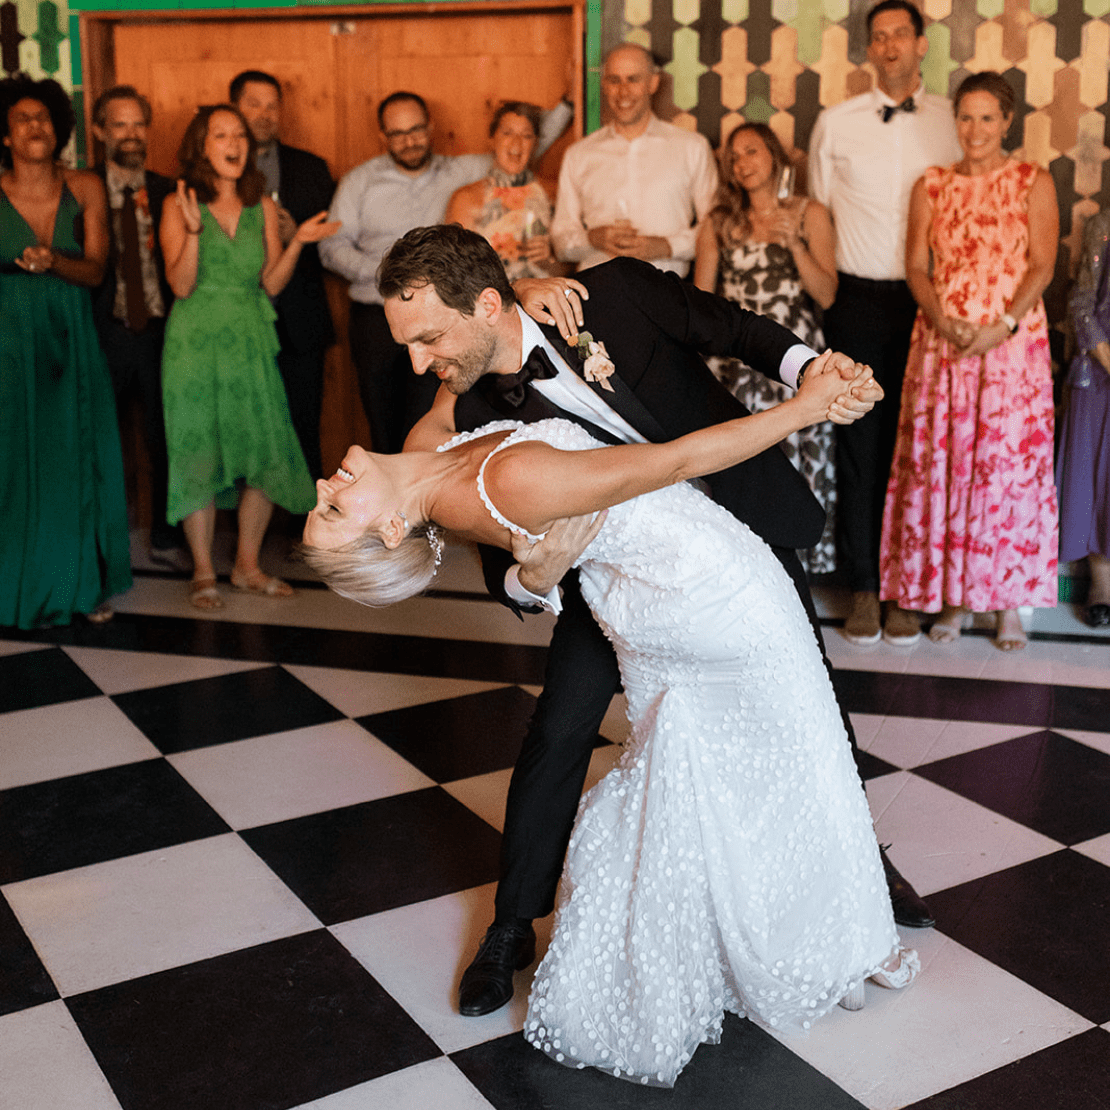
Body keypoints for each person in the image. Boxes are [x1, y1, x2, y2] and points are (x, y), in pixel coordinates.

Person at [299, 231, 919, 1086]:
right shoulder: (456, 412)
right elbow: (496, 560)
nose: (416, 361)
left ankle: (866, 877)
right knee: (559, 732)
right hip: (615, 587)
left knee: (808, 710)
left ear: (487, 304)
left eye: (429, 337)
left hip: (733, 528)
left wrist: (813, 373)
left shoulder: (611, 295)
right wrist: (537, 577)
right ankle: (512, 926)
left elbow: (734, 330)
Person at [879, 72, 1059, 650]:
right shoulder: (930, 184)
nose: (975, 129)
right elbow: (916, 267)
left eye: (987, 118)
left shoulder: (1033, 180)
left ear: (1007, 122)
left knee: (1005, 469)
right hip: (942, 344)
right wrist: (941, 319)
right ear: (953, 120)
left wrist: (1000, 326)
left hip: (1012, 347)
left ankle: (1007, 605)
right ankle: (953, 599)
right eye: (966, 117)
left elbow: (1043, 265)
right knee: (948, 465)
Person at [809, 0, 962, 646]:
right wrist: (825, 298)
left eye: (901, 33)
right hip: (859, 300)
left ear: (921, 43)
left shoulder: (955, 123)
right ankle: (866, 587)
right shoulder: (835, 123)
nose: (890, 44)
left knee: (919, 449)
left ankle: (909, 591)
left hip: (932, 305)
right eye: (879, 37)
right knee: (860, 444)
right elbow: (816, 207)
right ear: (868, 50)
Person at [320, 90, 572, 455]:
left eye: (417, 129)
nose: (409, 140)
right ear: (383, 136)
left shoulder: (461, 170)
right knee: (382, 415)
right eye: (398, 133)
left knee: (432, 411)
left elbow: (521, 142)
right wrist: (397, 283)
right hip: (377, 316)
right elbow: (332, 247)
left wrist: (568, 100)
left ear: (431, 127)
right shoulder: (360, 181)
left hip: (444, 319)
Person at [159, 103, 337, 610]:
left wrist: (298, 240)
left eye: (239, 135)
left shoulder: (260, 205)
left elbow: (271, 282)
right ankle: (201, 570)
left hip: (251, 337)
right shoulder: (180, 204)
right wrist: (194, 231)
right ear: (201, 146)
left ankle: (247, 565)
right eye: (221, 135)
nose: (234, 143)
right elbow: (180, 284)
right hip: (193, 342)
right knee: (197, 450)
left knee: (264, 446)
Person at [1, 75, 132, 629]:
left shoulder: (85, 186)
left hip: (71, 337)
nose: (36, 126)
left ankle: (78, 583)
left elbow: (98, 269)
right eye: (23, 118)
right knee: (9, 460)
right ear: (4, 134)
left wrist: (52, 260)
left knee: (72, 461)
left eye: (45, 117)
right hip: (6, 340)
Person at [694, 122, 839, 574]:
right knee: (739, 458)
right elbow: (700, 300)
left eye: (752, 152)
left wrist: (794, 243)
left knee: (796, 453)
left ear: (775, 157)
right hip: (736, 356)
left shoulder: (809, 213)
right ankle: (741, 564)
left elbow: (827, 294)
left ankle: (798, 566)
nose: (742, 163)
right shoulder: (720, 222)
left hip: (795, 352)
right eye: (734, 157)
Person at [90, 85, 184, 567]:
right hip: (101, 332)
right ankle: (100, 538)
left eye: (139, 124)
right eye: (120, 124)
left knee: (165, 437)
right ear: (99, 131)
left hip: (160, 333)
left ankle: (166, 536)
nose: (132, 134)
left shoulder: (169, 189)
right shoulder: (80, 188)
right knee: (97, 438)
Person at [230, 70, 336, 480]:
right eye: (253, 103)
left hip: (299, 320)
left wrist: (298, 238)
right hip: (235, 321)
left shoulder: (311, 168)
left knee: (302, 426)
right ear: (234, 108)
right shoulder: (214, 171)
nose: (264, 114)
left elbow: (332, 242)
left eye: (272, 105)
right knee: (240, 429)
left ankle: (304, 528)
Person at [550, 42, 716, 277]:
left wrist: (667, 246)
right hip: (597, 298)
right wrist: (592, 238)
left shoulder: (692, 147)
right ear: (604, 85)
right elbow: (560, 241)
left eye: (633, 79)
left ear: (653, 83)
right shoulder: (579, 154)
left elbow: (715, 228)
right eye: (614, 80)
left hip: (668, 297)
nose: (623, 91)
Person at [1058, 208, 1110, 628]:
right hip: (1101, 366)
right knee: (1099, 477)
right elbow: (1081, 305)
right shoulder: (1104, 224)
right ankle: (1102, 582)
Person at [445, 100, 564, 281]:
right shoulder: (466, 199)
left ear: (536, 143)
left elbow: (571, 270)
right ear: (492, 140)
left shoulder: (554, 194)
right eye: (507, 133)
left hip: (546, 299)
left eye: (526, 135)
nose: (516, 143)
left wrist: (549, 261)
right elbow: (452, 272)